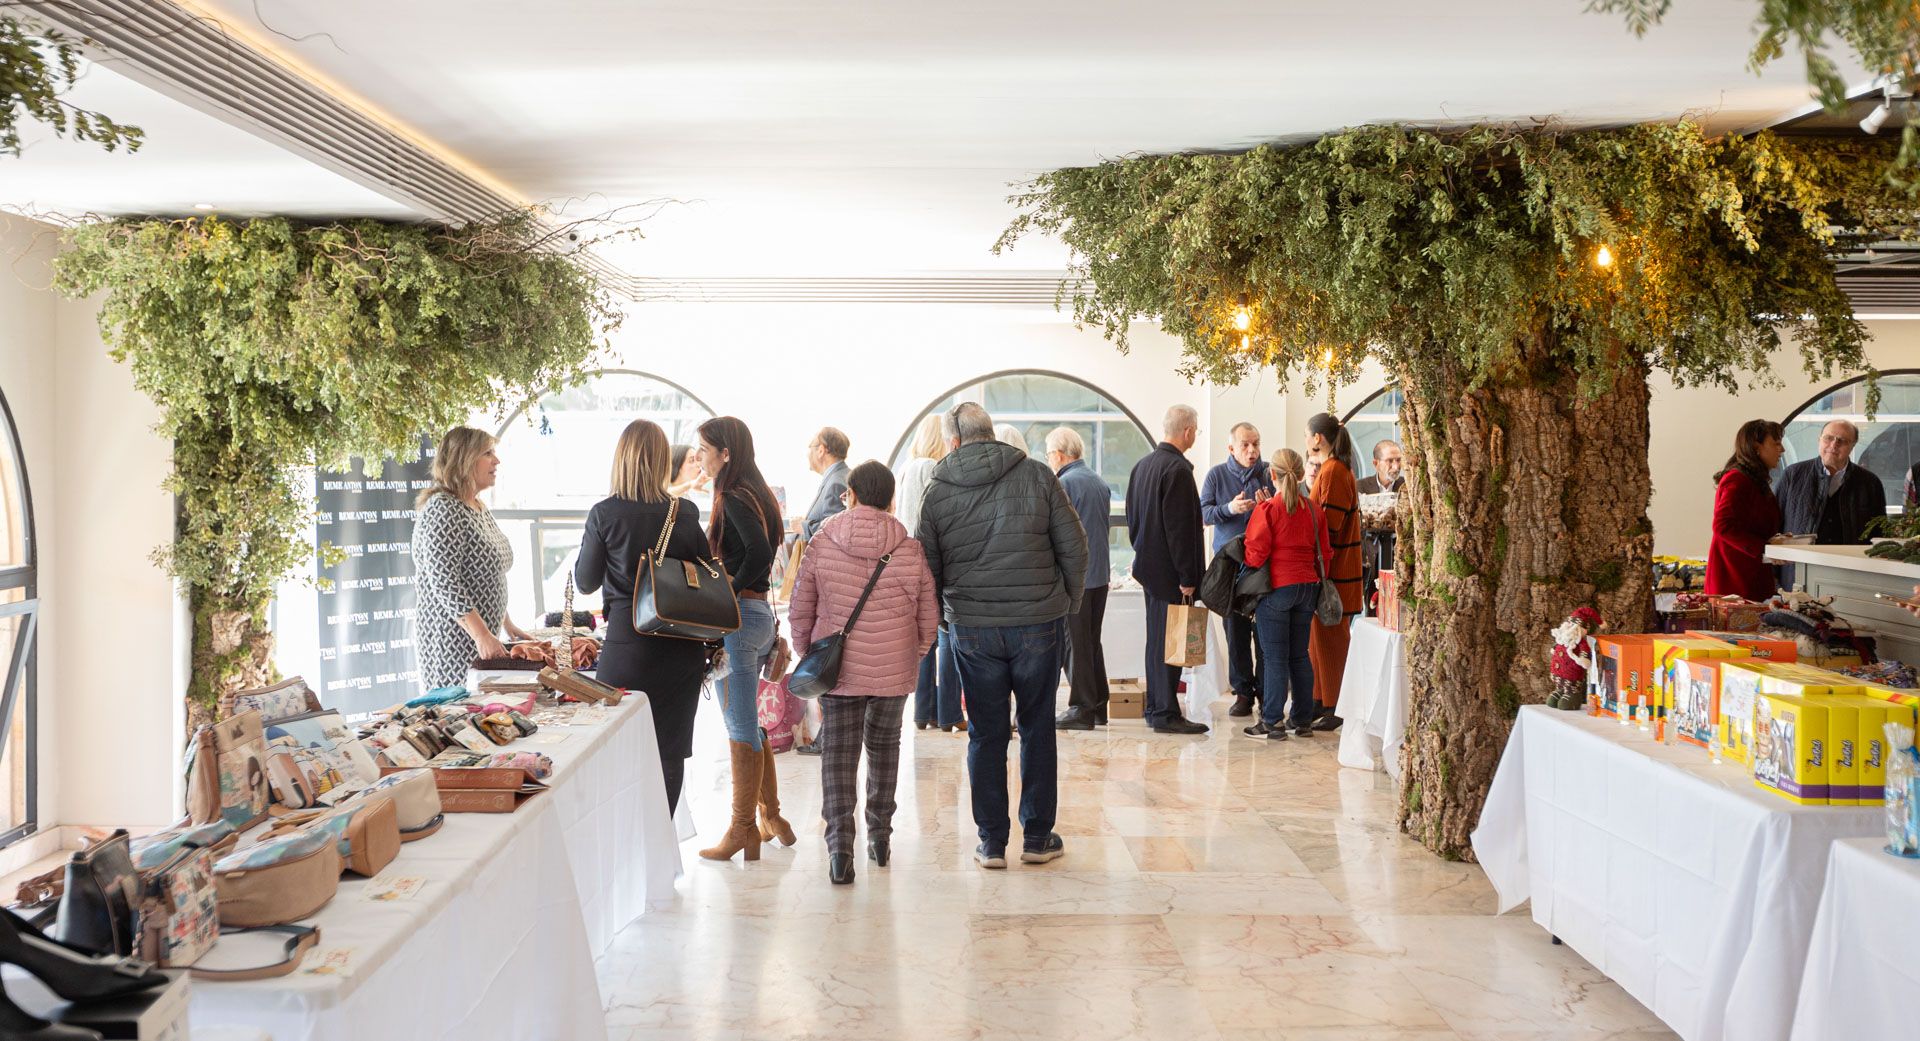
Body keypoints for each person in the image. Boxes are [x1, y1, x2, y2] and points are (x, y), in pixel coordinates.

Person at [916, 402, 1087, 869]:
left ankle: (991, 842)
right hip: (1038, 624)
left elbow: (926, 569)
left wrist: (946, 621)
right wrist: (1066, 604)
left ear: (953, 443)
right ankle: (1036, 837)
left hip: (973, 630)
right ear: (990, 434)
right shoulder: (1037, 475)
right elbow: (1075, 547)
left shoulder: (936, 492)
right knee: (1037, 729)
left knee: (985, 734)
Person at [789, 462, 939, 885]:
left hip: (837, 672)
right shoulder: (910, 548)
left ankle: (839, 850)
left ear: (850, 495)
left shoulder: (822, 541)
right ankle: (880, 837)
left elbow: (801, 608)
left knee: (838, 755)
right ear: (891, 499)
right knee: (884, 749)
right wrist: (912, 655)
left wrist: (813, 654)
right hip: (894, 669)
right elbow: (929, 617)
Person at [575, 420, 710, 815]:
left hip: (626, 649)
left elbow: (585, 582)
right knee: (670, 752)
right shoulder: (682, 512)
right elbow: (704, 572)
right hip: (681, 649)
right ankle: (660, 853)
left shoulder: (604, 514)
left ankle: (627, 853)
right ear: (660, 461)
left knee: (617, 748)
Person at [691, 416, 794, 862]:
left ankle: (742, 829)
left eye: (704, 449)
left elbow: (756, 552)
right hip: (755, 618)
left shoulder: (732, 496)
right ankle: (770, 817)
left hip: (737, 621)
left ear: (725, 453)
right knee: (748, 722)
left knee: (738, 725)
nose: (698, 456)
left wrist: (725, 590)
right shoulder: (757, 493)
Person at [411, 426, 535, 691]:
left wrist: (507, 623)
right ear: (464, 459)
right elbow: (445, 583)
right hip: (454, 642)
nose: (496, 460)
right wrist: (482, 635)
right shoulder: (443, 508)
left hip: (482, 636)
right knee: (461, 720)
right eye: (487, 453)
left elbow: (486, 574)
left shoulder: (477, 506)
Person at [1126, 404, 1210, 735]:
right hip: (1172, 576)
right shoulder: (1176, 470)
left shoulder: (1142, 466)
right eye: (1196, 431)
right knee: (1171, 643)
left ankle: (1156, 707)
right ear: (1187, 431)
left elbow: (1133, 521)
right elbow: (1180, 530)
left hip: (1149, 570)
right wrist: (1188, 577)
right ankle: (1164, 711)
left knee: (1157, 641)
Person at [1240, 448, 1330, 739]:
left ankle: (1272, 721)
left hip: (1278, 588)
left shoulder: (1267, 510)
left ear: (1272, 475)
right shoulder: (1314, 510)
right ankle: (1302, 721)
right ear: (1302, 475)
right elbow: (1325, 553)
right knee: (1300, 656)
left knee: (1275, 658)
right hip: (1308, 588)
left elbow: (1254, 556)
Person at [1199, 422, 1275, 719]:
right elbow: (1203, 513)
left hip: (1264, 568)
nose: (1252, 450)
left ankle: (1267, 692)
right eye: (1245, 445)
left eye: (1256, 443)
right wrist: (1229, 509)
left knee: (1265, 632)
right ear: (1231, 448)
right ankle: (1243, 693)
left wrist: (1271, 507)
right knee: (1236, 633)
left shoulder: (1270, 472)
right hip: (1230, 570)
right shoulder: (1216, 476)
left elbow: (1287, 509)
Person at [896, 414, 965, 732]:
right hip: (934, 562)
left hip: (908, 564)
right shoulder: (932, 469)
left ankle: (923, 711)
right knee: (947, 635)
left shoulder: (906, 469)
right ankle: (950, 712)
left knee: (922, 640)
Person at [1048, 427, 1115, 730]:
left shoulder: (1065, 483)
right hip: (1100, 575)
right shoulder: (1097, 481)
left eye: (1049, 454)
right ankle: (1099, 704)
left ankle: (1082, 708)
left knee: (1076, 644)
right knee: (1091, 641)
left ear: (1059, 455)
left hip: (1077, 579)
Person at [1306, 412, 1362, 732]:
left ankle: (1335, 704)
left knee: (1332, 639)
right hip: (1330, 572)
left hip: (1334, 575)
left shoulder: (1334, 472)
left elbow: (1330, 527)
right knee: (1318, 640)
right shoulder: (1331, 470)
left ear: (1317, 439)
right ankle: (1320, 698)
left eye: (1307, 435)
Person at [1705, 419, 1786, 602]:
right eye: (1776, 444)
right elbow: (1722, 526)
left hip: (1751, 578)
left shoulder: (1755, 480)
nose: (1782, 450)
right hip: (1734, 582)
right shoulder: (1737, 479)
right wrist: (1766, 549)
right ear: (1756, 446)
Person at [1776, 419, 1885, 546]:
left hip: (1849, 562)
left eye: (1842, 441)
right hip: (1800, 562)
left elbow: (1878, 530)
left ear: (1853, 445)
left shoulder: (1870, 483)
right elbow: (1774, 523)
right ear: (1819, 440)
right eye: (1828, 438)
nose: (1833, 445)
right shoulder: (1793, 474)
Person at [802, 427, 852, 542]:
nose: (807, 454)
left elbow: (834, 531)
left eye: (810, 447)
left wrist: (804, 527)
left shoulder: (836, 484)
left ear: (821, 450)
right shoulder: (841, 476)